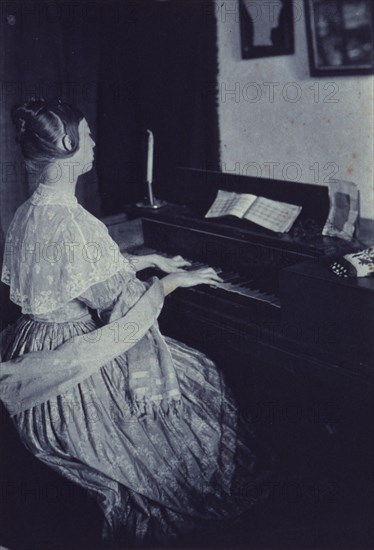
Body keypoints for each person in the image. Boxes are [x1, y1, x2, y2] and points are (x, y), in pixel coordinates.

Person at [0, 98, 273, 547]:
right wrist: (177, 280)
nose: (93, 141)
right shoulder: (75, 222)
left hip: (31, 347)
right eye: (87, 134)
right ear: (68, 144)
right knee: (203, 377)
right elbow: (124, 309)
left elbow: (79, 271)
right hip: (69, 376)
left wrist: (148, 258)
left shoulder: (29, 210)